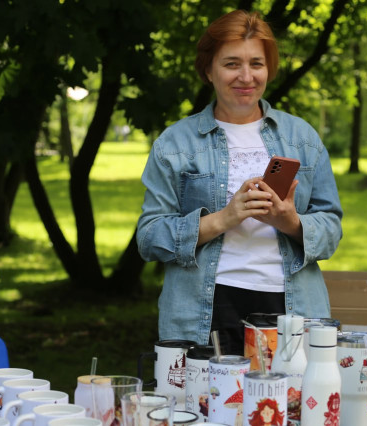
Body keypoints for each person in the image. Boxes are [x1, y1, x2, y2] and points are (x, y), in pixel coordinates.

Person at [136, 9, 342, 354]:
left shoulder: (302, 138)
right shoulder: (175, 143)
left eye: (256, 64)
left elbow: (332, 228)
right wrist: (224, 218)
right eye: (232, 64)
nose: (246, 76)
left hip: (291, 309)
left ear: (268, 69)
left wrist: (290, 222)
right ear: (209, 70)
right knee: (205, 390)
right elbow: (149, 237)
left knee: (291, 391)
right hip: (205, 309)